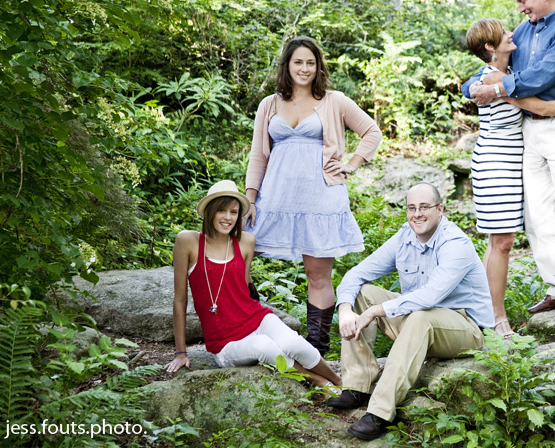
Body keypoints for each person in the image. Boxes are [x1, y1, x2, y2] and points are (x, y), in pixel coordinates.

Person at [462, 0, 555, 323]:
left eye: (523, 0)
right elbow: (491, 66)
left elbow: (540, 77)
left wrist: (495, 88)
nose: (520, 8)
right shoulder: (522, 32)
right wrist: (472, 86)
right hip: (530, 131)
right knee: (538, 215)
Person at [245, 36, 382, 354]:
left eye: (311, 62)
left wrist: (352, 165)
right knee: (240, 256)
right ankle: (249, 326)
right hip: (275, 199)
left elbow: (371, 132)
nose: (304, 68)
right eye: (298, 62)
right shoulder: (269, 104)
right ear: (287, 65)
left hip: (321, 200)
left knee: (317, 276)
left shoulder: (334, 101)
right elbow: (258, 156)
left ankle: (315, 351)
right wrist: (250, 199)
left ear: (318, 67)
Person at [326, 183, 495, 441]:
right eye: (411, 208)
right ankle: (358, 386)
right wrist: (346, 309)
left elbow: (430, 296)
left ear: (440, 209)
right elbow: (356, 274)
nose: (417, 214)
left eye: (424, 207)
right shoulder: (405, 237)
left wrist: (376, 312)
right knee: (363, 293)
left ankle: (381, 412)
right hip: (420, 323)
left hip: (466, 330)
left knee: (419, 317)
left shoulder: (455, 243)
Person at [165, 180, 342, 392]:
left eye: (234, 212)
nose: (228, 217)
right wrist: (181, 353)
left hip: (255, 319)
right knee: (265, 347)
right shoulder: (188, 241)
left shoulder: (246, 241)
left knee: (294, 344)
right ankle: (320, 382)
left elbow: (245, 285)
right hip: (224, 342)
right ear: (209, 211)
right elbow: (180, 299)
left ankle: (340, 381)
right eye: (221, 210)